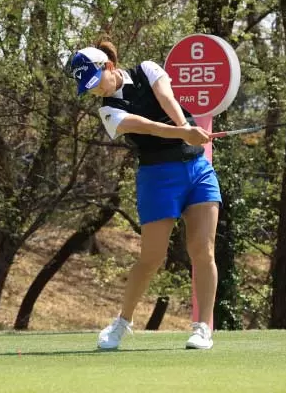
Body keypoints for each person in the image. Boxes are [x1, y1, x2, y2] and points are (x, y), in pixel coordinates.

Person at [69, 40, 221, 351]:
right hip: (157, 177)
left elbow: (168, 101)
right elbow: (150, 128)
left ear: (109, 67)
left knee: (202, 250)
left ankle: (203, 327)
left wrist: (186, 129)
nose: (95, 91)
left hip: (197, 169)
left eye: (96, 82)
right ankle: (122, 322)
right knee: (152, 259)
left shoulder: (147, 69)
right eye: (89, 88)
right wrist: (184, 132)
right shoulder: (108, 111)